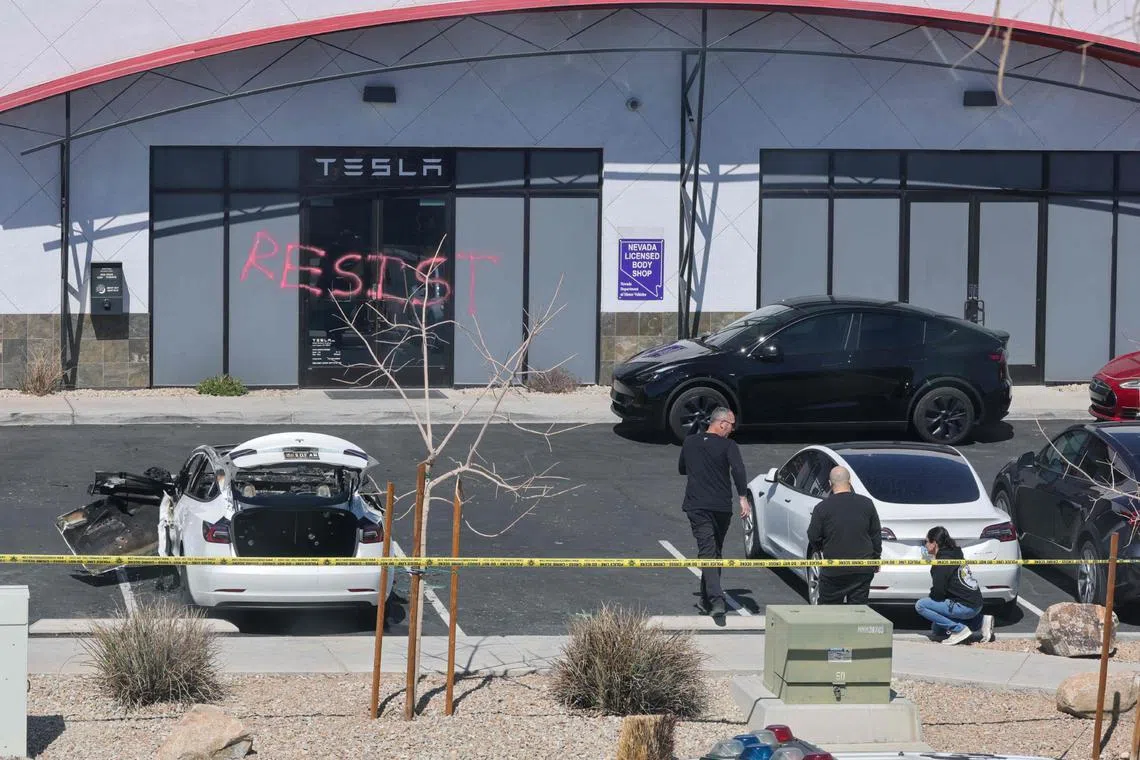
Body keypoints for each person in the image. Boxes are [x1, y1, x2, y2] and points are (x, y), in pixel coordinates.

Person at [678, 406, 750, 619]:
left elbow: (682, 468)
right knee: (710, 550)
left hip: (699, 505)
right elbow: (738, 469)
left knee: (713, 552)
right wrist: (743, 497)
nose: (732, 430)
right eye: (731, 425)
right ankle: (718, 600)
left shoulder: (690, 442)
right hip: (718, 506)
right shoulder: (729, 446)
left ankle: (705, 597)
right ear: (721, 423)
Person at [806, 466, 881, 604]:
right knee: (858, 610)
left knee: (830, 611)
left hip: (834, 570)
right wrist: (876, 559)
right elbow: (875, 534)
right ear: (850, 481)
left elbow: (813, 536)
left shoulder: (822, 508)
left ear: (830, 483)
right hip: (862, 568)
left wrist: (821, 547)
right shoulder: (867, 504)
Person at [915, 526, 995, 645]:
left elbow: (938, 592)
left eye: (926, 541)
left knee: (921, 605)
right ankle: (981, 621)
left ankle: (959, 630)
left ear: (934, 543)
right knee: (937, 630)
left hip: (965, 605)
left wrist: (933, 598)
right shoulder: (954, 553)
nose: (925, 545)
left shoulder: (941, 563)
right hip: (975, 603)